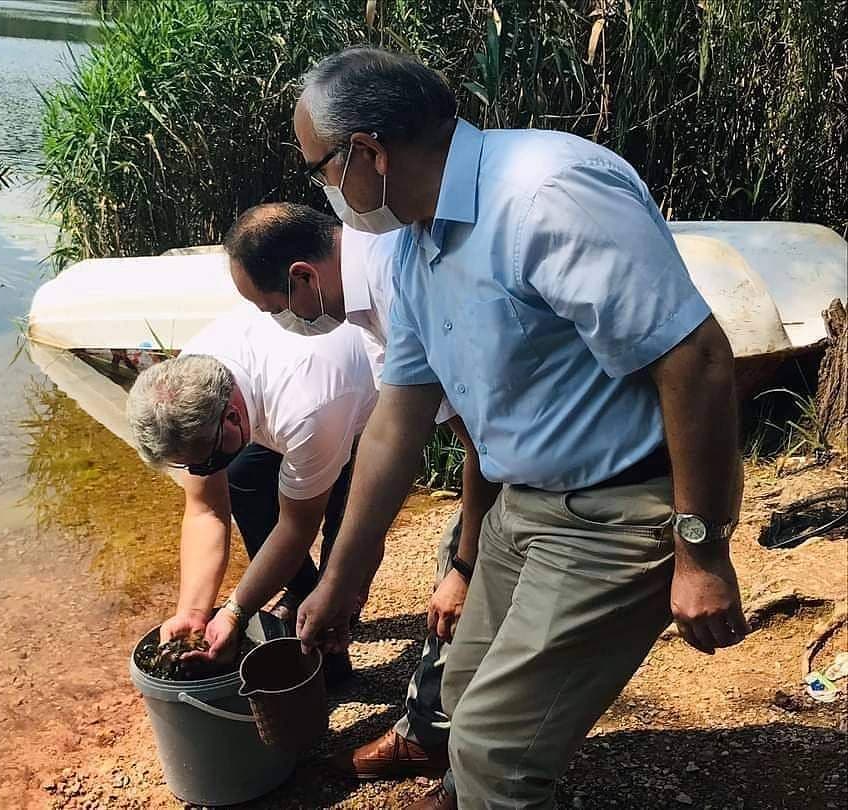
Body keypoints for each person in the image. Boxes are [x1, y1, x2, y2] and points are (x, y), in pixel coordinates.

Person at [292, 48, 747, 810]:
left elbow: (695, 359)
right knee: (460, 697)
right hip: (523, 507)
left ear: (368, 151)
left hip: (620, 509)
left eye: (321, 170)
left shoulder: (546, 193)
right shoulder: (411, 247)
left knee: (497, 751)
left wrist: (700, 551)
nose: (326, 192)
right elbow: (397, 420)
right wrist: (342, 578)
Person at [223, 202, 502, 778]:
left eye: (277, 309)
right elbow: (389, 443)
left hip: (543, 460)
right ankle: (434, 729)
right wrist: (343, 583)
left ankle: (443, 744)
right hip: (505, 448)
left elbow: (481, 444)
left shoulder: (394, 292)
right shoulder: (362, 284)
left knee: (462, 595)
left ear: (303, 276)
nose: (282, 323)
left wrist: (467, 567)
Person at [125, 309, 377, 674]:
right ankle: (301, 589)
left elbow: (297, 526)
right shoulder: (186, 387)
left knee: (348, 530)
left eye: (206, 461)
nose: (202, 472)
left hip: (361, 409)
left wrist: (234, 613)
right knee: (242, 477)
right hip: (282, 401)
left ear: (230, 416)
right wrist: (193, 614)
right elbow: (205, 510)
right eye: (190, 466)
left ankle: (332, 622)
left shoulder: (307, 408)